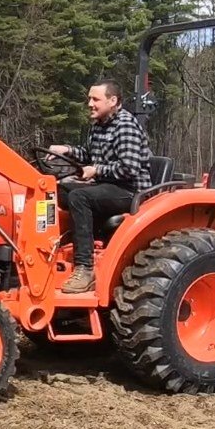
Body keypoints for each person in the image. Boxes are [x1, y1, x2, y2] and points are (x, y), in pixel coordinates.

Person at [49, 81, 153, 294]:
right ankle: (66, 245)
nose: (89, 104)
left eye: (95, 99)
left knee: (80, 197)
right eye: (89, 99)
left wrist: (97, 170)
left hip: (130, 190)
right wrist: (66, 150)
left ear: (112, 101)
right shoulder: (99, 125)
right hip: (108, 185)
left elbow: (129, 168)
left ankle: (85, 269)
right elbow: (89, 154)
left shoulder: (125, 125)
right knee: (57, 191)